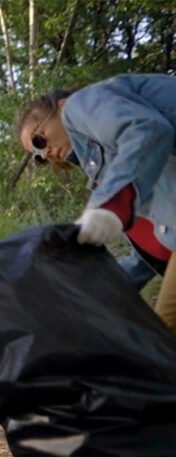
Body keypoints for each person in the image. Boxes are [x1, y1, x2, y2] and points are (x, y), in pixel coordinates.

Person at [16, 74, 176, 331]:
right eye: (38, 156)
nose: (45, 153)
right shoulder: (114, 164)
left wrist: (111, 205)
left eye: (39, 140)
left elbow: (147, 130)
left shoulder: (78, 105)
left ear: (59, 106)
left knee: (165, 331)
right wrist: (98, 291)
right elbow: (153, 242)